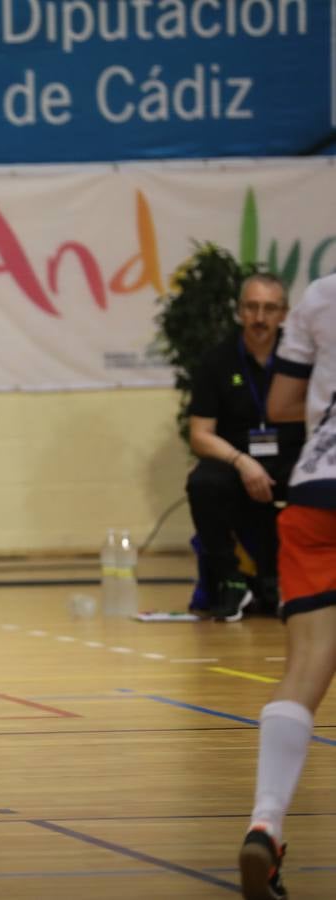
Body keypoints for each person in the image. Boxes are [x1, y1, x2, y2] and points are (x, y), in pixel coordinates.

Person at [238, 272, 336, 900]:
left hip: (315, 491)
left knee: (305, 667)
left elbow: (279, 407)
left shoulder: (322, 296)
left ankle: (267, 822)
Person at [186, 273, 302, 621]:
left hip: (292, 458)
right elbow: (200, 434)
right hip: (236, 459)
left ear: (284, 313)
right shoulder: (216, 361)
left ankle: (291, 583)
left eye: (269, 308)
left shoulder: (302, 359)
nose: (260, 317)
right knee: (204, 482)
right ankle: (232, 582)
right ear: (240, 312)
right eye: (252, 307)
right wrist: (241, 462)